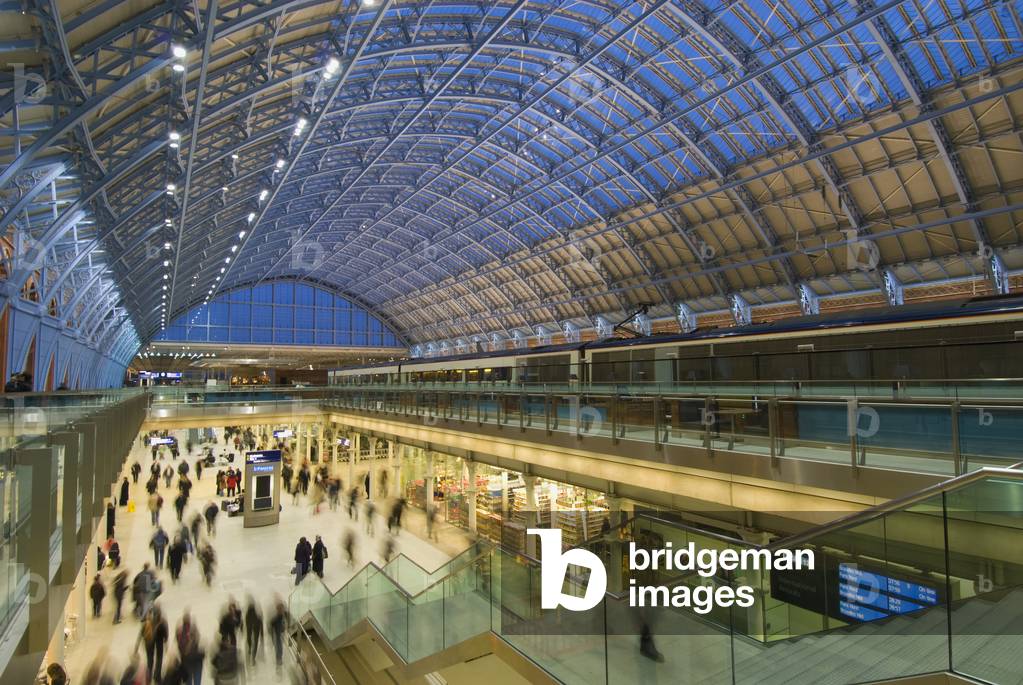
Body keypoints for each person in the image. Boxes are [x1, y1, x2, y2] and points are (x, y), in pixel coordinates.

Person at [138, 605, 169, 683]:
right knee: (159, 659)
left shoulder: (147, 622)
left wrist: (137, 647)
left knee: (149, 661)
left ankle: (148, 678)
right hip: (159, 642)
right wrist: (166, 642)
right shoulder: (162, 622)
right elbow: (166, 634)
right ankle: (157, 677)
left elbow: (140, 634)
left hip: (149, 643)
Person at [176, 612, 204, 685]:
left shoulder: (179, 630)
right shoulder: (192, 629)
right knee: (196, 679)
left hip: (186, 660)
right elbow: (197, 639)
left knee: (188, 680)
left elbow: (179, 646)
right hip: (195, 659)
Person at [268, 600, 287, 671]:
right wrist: (272, 636)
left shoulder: (283, 616)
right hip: (277, 635)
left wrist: (284, 628)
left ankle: (279, 659)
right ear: (278, 610)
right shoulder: (275, 619)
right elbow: (270, 626)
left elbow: (284, 624)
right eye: (280, 609)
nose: (282, 610)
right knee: (279, 648)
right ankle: (278, 659)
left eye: (282, 609)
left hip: (281, 634)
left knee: (280, 648)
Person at [244, 598, 263, 664]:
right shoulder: (250, 611)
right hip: (253, 627)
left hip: (254, 627)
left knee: (253, 640)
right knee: (254, 640)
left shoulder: (254, 611)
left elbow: (260, 620)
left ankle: (252, 655)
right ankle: (252, 656)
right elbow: (260, 621)